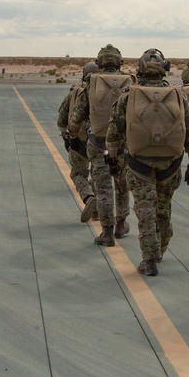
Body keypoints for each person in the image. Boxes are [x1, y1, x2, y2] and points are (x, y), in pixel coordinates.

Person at [105, 49, 189, 276]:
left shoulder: (128, 97)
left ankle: (149, 261)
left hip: (138, 165)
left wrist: (112, 160)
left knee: (145, 212)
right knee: (163, 209)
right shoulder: (178, 95)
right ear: (164, 69)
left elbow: (113, 133)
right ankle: (161, 249)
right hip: (171, 165)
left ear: (140, 68)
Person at [68, 44, 134, 246]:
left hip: (97, 143)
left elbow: (76, 117)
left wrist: (72, 134)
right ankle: (122, 224)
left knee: (103, 188)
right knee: (122, 185)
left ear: (100, 62)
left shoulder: (91, 83)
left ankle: (107, 232)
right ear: (118, 62)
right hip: (123, 145)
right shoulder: (132, 82)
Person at [58, 61, 99, 222]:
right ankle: (98, 211)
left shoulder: (74, 93)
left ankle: (88, 197)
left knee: (78, 174)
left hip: (78, 142)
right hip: (99, 142)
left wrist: (68, 139)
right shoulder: (104, 94)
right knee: (98, 175)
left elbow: (61, 120)